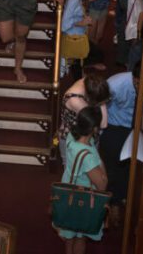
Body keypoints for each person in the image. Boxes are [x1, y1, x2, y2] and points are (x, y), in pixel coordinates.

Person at [56, 106, 108, 254]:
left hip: (68, 190)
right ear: (94, 128)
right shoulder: (88, 156)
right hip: (82, 198)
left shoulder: (72, 136)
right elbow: (102, 184)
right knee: (80, 237)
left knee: (69, 236)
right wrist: (99, 160)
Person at [100, 64, 141, 227]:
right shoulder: (116, 84)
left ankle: (122, 199)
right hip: (114, 127)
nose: (139, 87)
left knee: (129, 168)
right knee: (112, 167)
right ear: (133, 78)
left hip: (135, 128)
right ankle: (109, 205)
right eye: (137, 83)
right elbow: (100, 103)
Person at [58, 73, 110, 163]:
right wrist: (102, 102)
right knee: (74, 174)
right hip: (74, 141)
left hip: (87, 138)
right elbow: (103, 124)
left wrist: (102, 98)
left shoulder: (89, 82)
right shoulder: (74, 99)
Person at [61, 0, 92, 79]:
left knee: (78, 66)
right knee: (76, 68)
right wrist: (81, 22)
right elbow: (64, 24)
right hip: (74, 37)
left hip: (77, 35)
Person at [124, 0, 143, 72]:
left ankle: (129, 68)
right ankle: (131, 70)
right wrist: (138, 35)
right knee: (136, 54)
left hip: (131, 29)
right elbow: (141, 17)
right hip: (137, 32)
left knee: (133, 54)